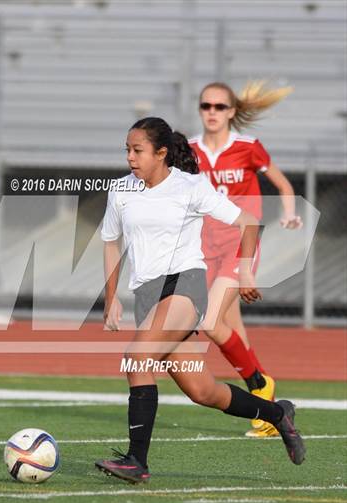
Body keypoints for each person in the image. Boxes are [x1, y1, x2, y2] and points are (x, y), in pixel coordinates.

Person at [95, 116, 305, 484]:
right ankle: (277, 413)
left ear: (161, 153)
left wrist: (244, 271)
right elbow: (111, 243)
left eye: (137, 150)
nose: (130, 157)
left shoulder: (190, 186)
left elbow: (248, 223)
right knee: (203, 391)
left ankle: (136, 461)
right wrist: (111, 298)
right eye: (127, 150)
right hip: (147, 296)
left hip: (184, 288)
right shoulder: (120, 190)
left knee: (136, 358)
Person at [188, 81, 303, 438]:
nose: (211, 112)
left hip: (240, 247)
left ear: (232, 112)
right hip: (203, 249)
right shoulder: (190, 150)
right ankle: (268, 409)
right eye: (206, 105)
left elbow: (283, 185)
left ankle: (259, 382)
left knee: (209, 322)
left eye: (219, 107)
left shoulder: (248, 148)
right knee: (231, 329)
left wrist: (289, 214)